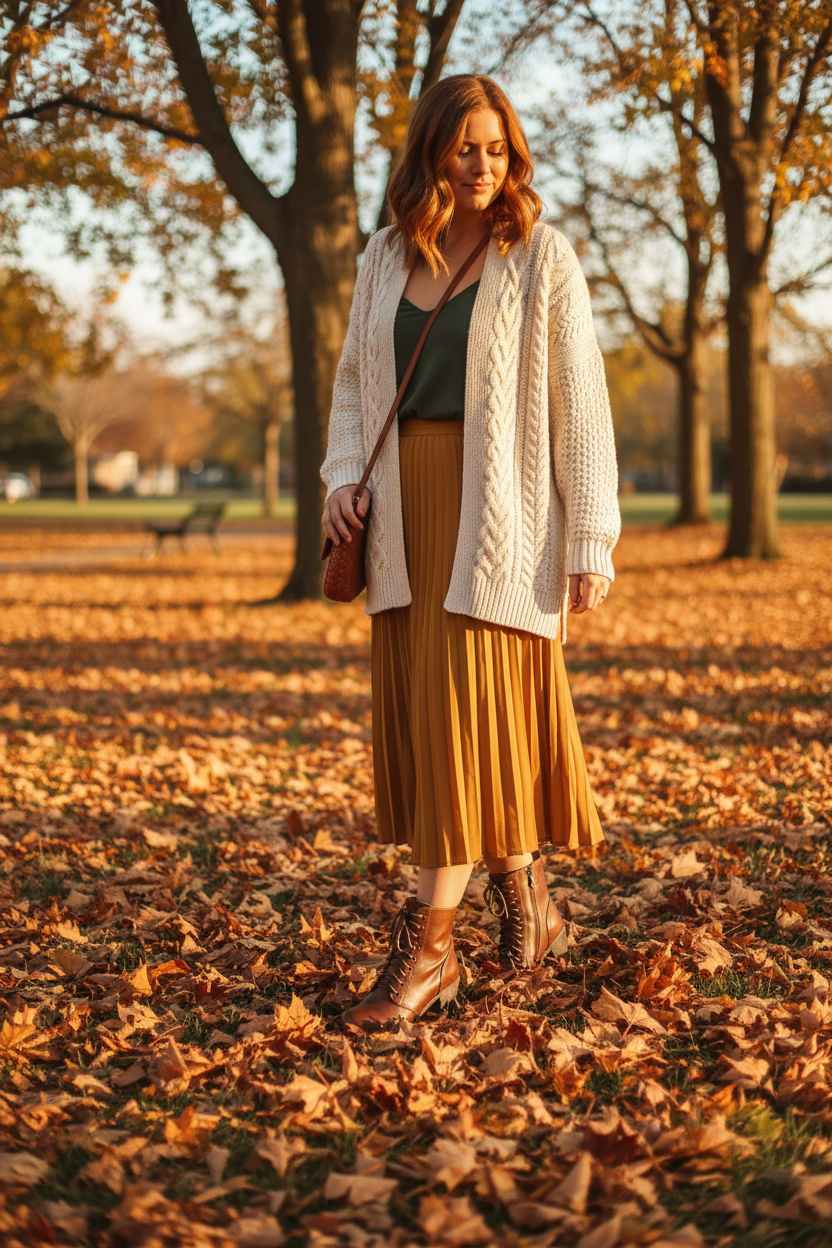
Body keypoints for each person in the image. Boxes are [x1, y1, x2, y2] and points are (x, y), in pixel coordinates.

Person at [320, 74, 620, 1033]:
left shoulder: (541, 257)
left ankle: (429, 955)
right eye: (465, 149)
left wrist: (591, 536)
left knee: (465, 727)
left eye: (497, 148)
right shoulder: (380, 258)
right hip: (406, 522)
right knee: (454, 727)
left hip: (505, 518)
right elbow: (355, 390)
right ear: (430, 154)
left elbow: (582, 407)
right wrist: (339, 481)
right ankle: (529, 905)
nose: (483, 166)